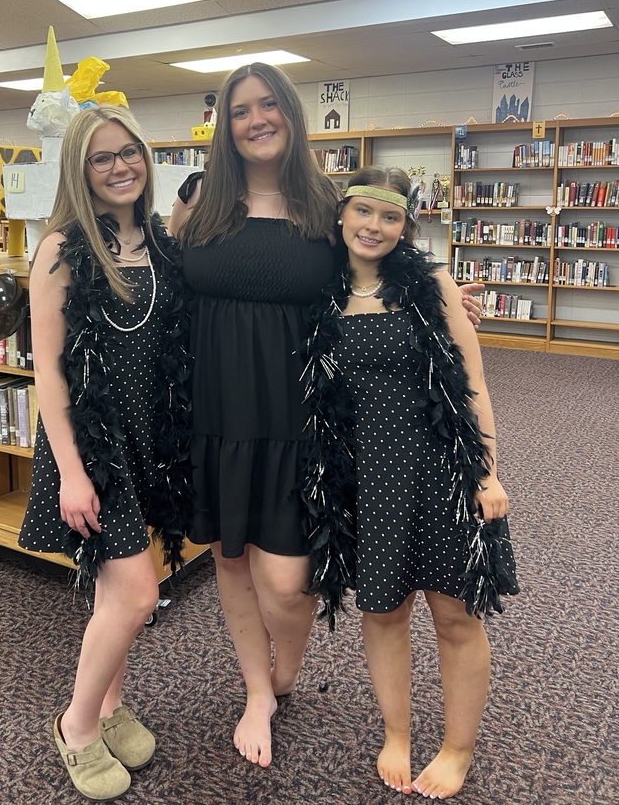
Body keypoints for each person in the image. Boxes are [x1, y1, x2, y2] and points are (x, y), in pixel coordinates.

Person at [169, 64, 485, 769]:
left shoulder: (322, 202)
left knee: (288, 581)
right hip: (218, 407)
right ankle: (259, 689)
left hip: (303, 414)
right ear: (226, 122)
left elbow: (379, 260)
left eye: (268, 104)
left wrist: (443, 296)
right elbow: (166, 285)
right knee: (229, 557)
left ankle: (287, 668)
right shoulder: (198, 200)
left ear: (290, 112)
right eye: (240, 108)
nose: (256, 119)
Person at [304, 165, 519, 799]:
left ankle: (457, 748)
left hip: (437, 471)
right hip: (363, 481)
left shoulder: (434, 287)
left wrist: (487, 473)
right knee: (383, 610)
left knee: (454, 613)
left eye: (390, 217)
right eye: (364, 212)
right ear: (342, 215)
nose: (374, 227)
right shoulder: (317, 292)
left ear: (407, 226)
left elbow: (472, 384)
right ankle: (396, 732)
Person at [19, 105, 191, 801]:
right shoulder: (62, 248)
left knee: (116, 591)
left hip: (150, 436)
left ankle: (114, 705)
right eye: (102, 157)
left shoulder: (160, 240)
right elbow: (50, 371)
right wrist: (70, 470)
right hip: (93, 444)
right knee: (140, 592)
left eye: (130, 153)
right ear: (80, 171)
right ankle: (78, 726)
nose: (121, 166)